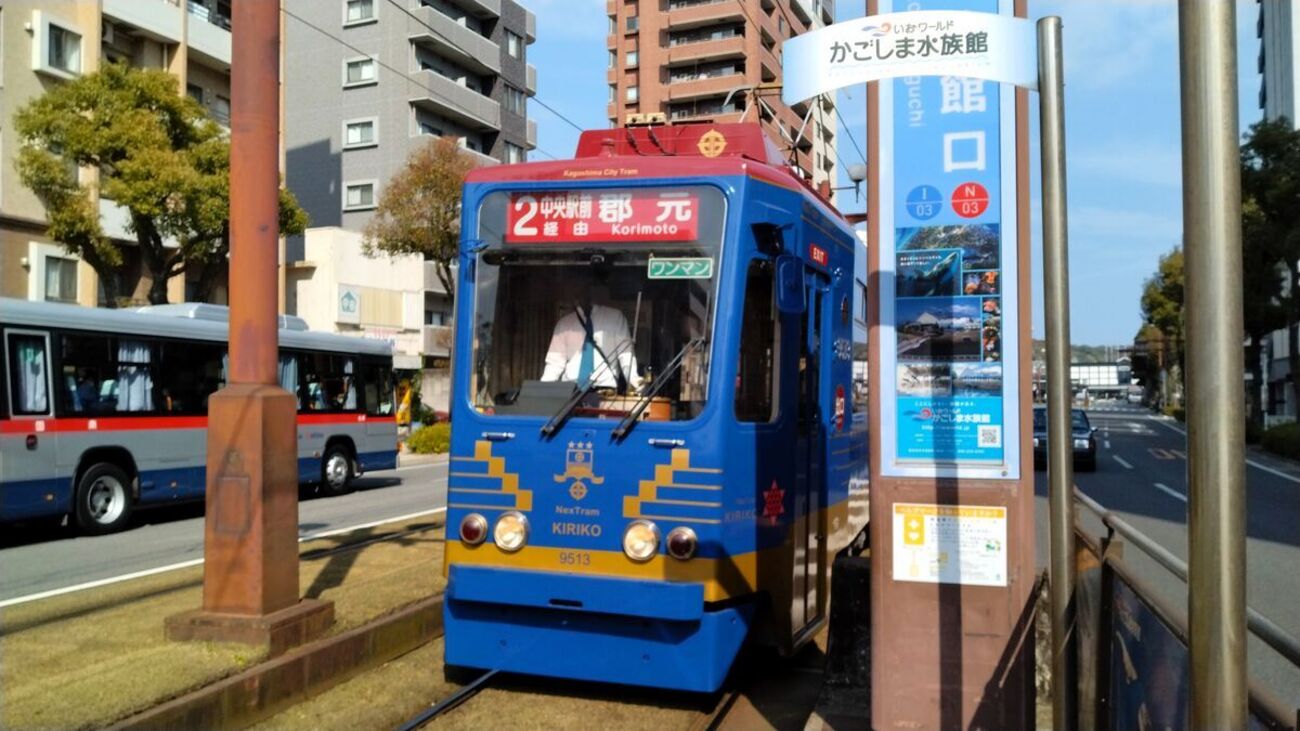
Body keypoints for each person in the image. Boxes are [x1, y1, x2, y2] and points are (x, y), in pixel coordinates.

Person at [542, 296, 639, 391]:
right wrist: (542, 391)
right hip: (570, 390)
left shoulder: (615, 317)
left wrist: (635, 383)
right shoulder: (564, 324)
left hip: (604, 390)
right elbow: (554, 363)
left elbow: (626, 356)